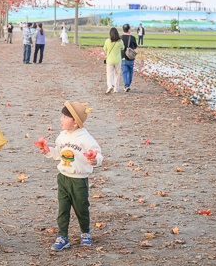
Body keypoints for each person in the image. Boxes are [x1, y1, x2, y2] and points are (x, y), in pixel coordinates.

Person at [35, 101, 103, 251]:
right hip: (63, 177)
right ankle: (62, 236)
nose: (61, 119)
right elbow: (59, 154)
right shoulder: (62, 136)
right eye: (62, 116)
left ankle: (85, 232)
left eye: (65, 117)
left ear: (75, 123)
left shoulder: (86, 138)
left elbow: (98, 154)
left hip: (79, 180)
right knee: (63, 208)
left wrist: (95, 160)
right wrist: (48, 151)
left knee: (81, 208)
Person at [102, 27, 123, 94]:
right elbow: (123, 48)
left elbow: (104, 49)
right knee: (117, 74)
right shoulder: (120, 41)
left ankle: (110, 85)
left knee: (109, 74)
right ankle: (116, 89)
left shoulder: (107, 41)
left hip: (110, 60)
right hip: (117, 60)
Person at [119, 23, 138, 92]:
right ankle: (128, 84)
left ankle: (126, 85)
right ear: (129, 30)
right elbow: (135, 46)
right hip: (131, 57)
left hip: (123, 57)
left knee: (125, 71)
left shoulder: (120, 38)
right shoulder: (132, 38)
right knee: (130, 71)